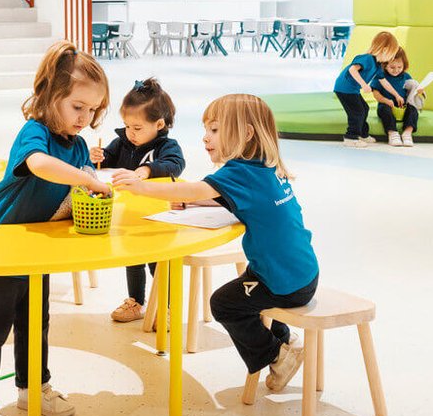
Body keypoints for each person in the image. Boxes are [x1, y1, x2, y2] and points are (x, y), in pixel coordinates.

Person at [0, 43, 111, 416]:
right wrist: (86, 178)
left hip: (34, 251)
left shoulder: (77, 146)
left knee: (34, 323)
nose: (85, 118)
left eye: (93, 110)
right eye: (77, 106)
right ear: (51, 96)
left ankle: (33, 388)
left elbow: (75, 189)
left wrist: (91, 183)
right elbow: (39, 165)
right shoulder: (34, 133)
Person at [112, 94, 319, 394]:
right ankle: (285, 339)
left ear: (246, 133)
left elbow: (195, 189)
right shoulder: (263, 166)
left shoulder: (239, 172)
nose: (205, 137)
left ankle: (278, 355)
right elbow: (230, 197)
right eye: (206, 129)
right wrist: (195, 201)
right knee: (245, 289)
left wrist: (141, 187)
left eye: (215, 130)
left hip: (281, 281)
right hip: (303, 271)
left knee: (224, 303)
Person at [90, 78, 187, 324]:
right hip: (129, 215)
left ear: (159, 124)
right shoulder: (122, 142)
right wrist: (97, 157)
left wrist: (146, 170)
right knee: (132, 260)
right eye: (126, 126)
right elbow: (108, 161)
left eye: (137, 127)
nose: (130, 133)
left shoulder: (167, 146)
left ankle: (166, 307)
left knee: (158, 263)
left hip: (158, 218)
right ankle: (136, 302)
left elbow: (175, 164)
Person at [333, 30, 401, 148]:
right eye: (392, 54)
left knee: (364, 108)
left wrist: (397, 95)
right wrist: (364, 85)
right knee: (357, 112)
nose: (392, 57)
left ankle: (363, 134)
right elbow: (352, 69)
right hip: (344, 88)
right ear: (385, 50)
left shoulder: (378, 66)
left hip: (352, 90)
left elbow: (384, 83)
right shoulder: (367, 58)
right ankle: (351, 137)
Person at [370, 42, 424, 148]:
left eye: (399, 67)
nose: (396, 70)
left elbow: (412, 90)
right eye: (392, 67)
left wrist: (419, 91)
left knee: (413, 109)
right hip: (387, 105)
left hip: (402, 107)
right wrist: (386, 100)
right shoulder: (381, 76)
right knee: (384, 110)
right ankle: (392, 133)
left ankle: (407, 133)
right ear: (385, 65)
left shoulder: (406, 76)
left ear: (404, 65)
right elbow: (376, 94)